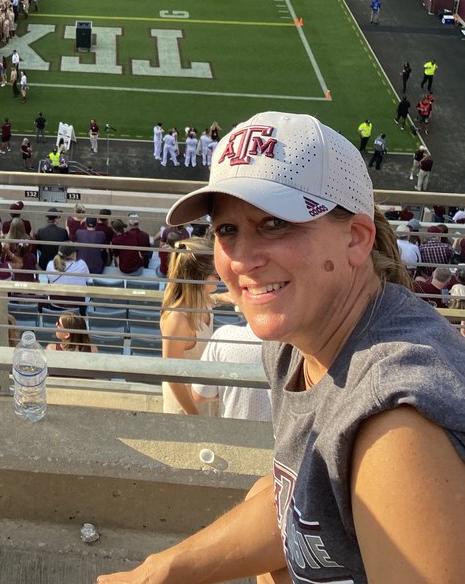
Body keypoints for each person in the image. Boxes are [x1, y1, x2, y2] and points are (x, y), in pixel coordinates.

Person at [99, 110, 464, 584]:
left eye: (274, 224)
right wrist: (159, 572)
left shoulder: (397, 429)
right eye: (226, 229)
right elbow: (302, 500)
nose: (242, 259)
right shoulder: (300, 342)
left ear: (355, 238)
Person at [159, 237, 220, 414]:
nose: (221, 278)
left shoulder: (201, 298)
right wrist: (194, 415)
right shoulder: (177, 319)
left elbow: (213, 300)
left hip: (204, 396)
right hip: (187, 407)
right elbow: (172, 375)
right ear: (197, 277)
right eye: (216, 276)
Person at [191, 321, 273, 423]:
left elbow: (200, 393)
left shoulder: (224, 336)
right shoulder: (293, 345)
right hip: (283, 435)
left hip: (234, 431)